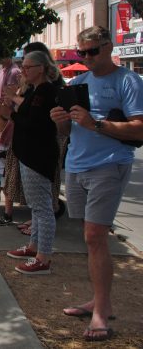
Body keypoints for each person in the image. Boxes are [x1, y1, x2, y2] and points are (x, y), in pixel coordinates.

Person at [49, 26, 143, 342]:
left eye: (93, 51)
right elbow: (66, 133)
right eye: (82, 52)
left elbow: (139, 129)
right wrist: (60, 119)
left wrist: (96, 123)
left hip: (109, 164)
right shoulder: (78, 83)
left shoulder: (128, 81)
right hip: (77, 164)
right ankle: (98, 300)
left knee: (95, 235)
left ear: (108, 46)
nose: (87, 58)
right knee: (89, 239)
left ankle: (102, 311)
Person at [1, 50, 59, 275]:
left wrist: (11, 111)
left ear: (41, 68)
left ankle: (43, 257)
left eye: (28, 67)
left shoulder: (46, 91)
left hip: (38, 155)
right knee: (35, 206)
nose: (23, 71)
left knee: (42, 208)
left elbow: (34, 122)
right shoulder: (35, 90)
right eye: (22, 66)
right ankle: (35, 246)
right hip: (28, 153)